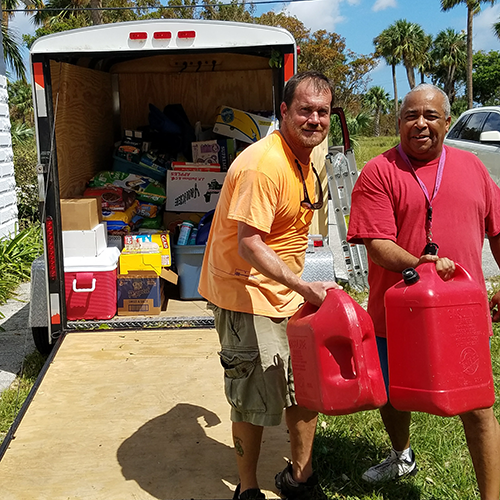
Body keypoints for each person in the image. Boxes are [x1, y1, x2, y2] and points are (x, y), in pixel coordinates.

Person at [346, 83, 500, 500]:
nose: (420, 124)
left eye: (431, 116)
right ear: (398, 123)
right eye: (411, 116)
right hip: (397, 312)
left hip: (462, 314)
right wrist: (420, 264)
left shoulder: (473, 169)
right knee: (394, 394)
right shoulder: (379, 170)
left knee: (479, 406)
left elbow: (498, 231)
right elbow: (377, 245)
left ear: (447, 123)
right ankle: (401, 455)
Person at [198, 71, 341, 500]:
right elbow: (250, 244)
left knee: (302, 386)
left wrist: (303, 286)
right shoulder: (264, 164)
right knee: (253, 399)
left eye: (323, 111)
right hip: (245, 293)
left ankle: (301, 478)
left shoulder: (307, 158)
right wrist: (305, 285)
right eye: (305, 110)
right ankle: (248, 489)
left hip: (285, 290)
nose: (314, 120)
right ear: (284, 112)